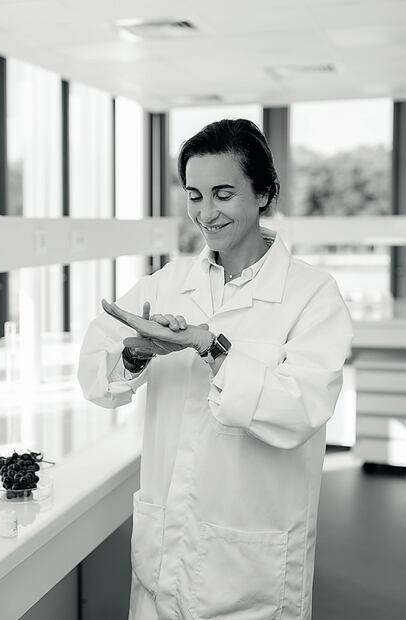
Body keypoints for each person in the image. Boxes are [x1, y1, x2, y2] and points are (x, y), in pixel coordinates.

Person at [78, 118, 353, 620]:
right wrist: (139, 351)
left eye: (223, 194)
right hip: (163, 559)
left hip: (252, 572)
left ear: (265, 192)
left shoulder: (312, 295)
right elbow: (96, 377)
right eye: (194, 195)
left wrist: (211, 346)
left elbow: (301, 409)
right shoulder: (167, 283)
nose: (206, 213)